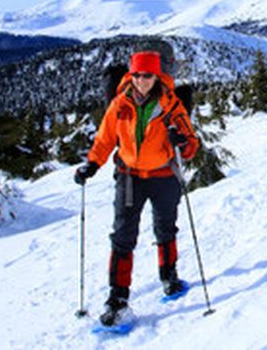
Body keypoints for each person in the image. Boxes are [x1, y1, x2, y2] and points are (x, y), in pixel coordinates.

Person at [74, 49, 199, 326]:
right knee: (122, 235)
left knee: (165, 227)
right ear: (131, 75)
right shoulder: (120, 104)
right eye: (138, 75)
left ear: (157, 76)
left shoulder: (170, 105)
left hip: (164, 175)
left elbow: (191, 145)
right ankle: (117, 298)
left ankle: (169, 277)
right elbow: (105, 138)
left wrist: (182, 141)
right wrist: (92, 164)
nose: (143, 80)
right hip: (129, 176)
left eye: (148, 75)